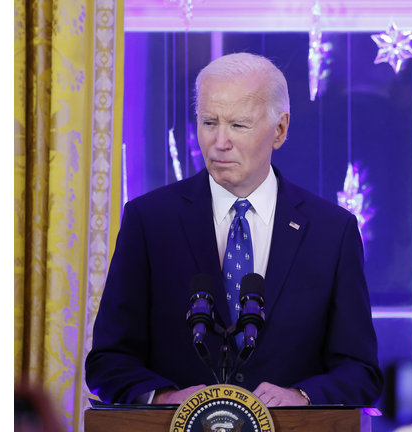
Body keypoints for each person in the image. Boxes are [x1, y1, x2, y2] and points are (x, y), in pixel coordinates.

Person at [85, 52, 383, 407]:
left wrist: (302, 397)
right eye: (209, 122)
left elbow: (360, 371)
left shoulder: (332, 232)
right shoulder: (148, 221)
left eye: (238, 125)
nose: (219, 142)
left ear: (280, 129)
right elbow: (108, 361)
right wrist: (166, 397)